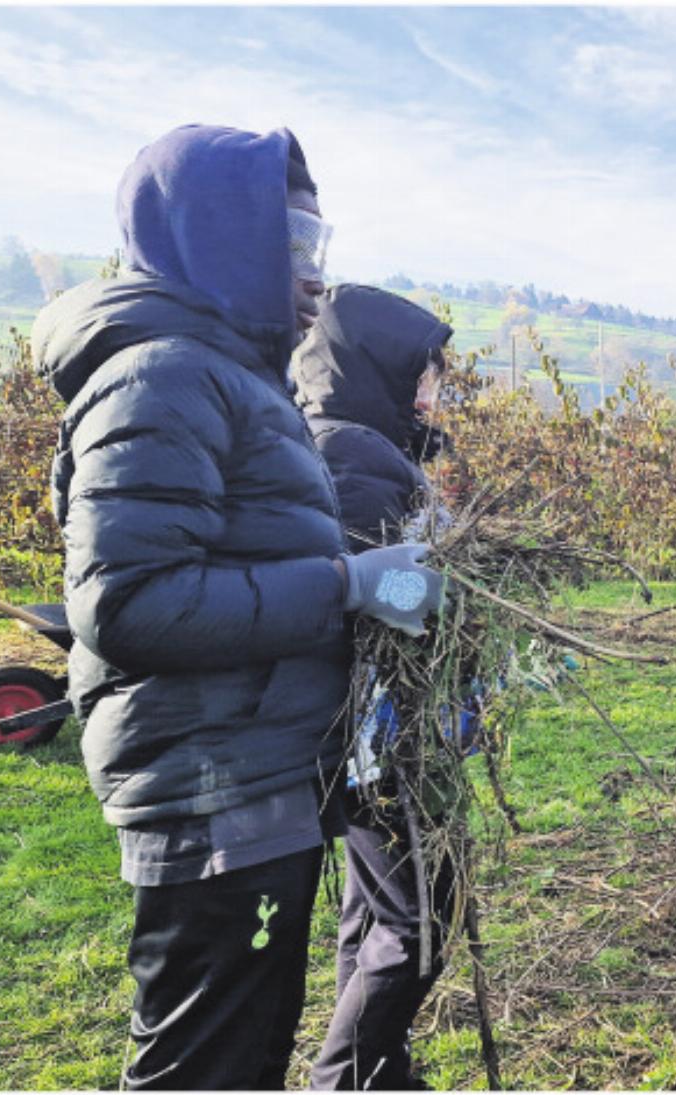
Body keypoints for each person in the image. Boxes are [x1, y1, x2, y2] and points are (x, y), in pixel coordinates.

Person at [33, 125, 442, 1089]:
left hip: (253, 775)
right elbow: (129, 601)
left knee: (243, 1057)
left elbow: (242, 548)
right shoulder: (163, 374)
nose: (315, 276)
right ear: (220, 246)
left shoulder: (226, 377)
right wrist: (347, 585)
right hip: (216, 790)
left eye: (319, 243)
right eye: (293, 247)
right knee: (206, 1065)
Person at [291, 284, 459, 1090]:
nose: (432, 391)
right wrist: (458, 601)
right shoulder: (353, 452)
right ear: (375, 366)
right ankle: (347, 1076)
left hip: (370, 736)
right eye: (422, 373)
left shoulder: (348, 438)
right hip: (382, 733)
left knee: (375, 908)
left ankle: (379, 1068)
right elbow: (367, 599)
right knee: (423, 912)